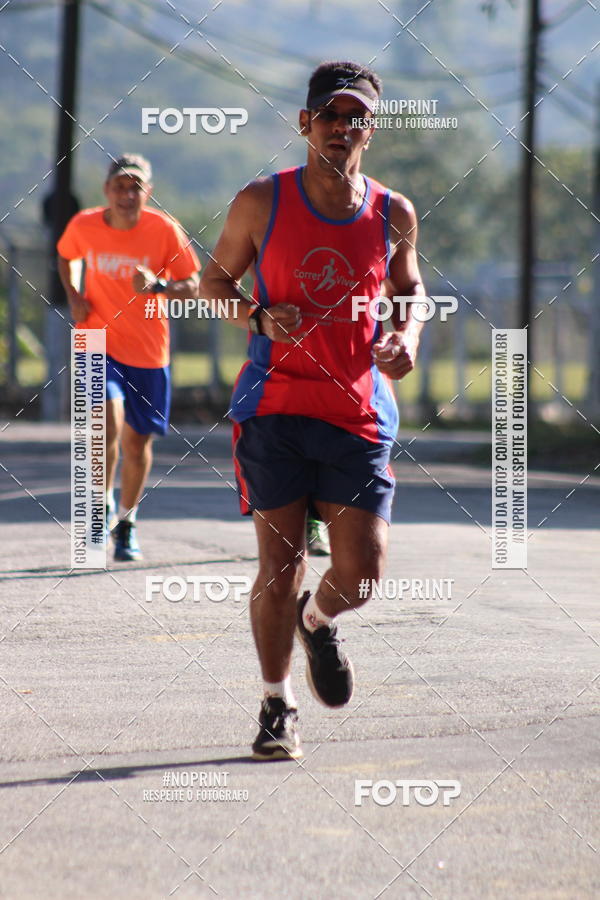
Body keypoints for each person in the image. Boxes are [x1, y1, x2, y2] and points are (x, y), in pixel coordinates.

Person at [200, 61, 426, 760]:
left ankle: (319, 620)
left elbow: (410, 289)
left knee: (361, 572)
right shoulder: (261, 201)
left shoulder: (394, 212)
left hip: (356, 409)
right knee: (281, 561)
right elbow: (212, 282)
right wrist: (257, 317)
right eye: (329, 114)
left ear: (371, 130)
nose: (341, 127)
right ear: (305, 123)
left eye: (356, 117)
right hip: (274, 408)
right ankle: (276, 705)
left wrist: (407, 334)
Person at [57, 154, 200, 561]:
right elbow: (66, 255)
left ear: (147, 192)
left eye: (135, 186)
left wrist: (158, 286)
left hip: (148, 351)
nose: (127, 193)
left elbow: (193, 283)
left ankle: (127, 522)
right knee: (107, 419)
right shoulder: (83, 225)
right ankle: (99, 505)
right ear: (107, 191)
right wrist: (73, 295)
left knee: (137, 444)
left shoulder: (164, 230)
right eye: (120, 185)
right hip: (95, 341)